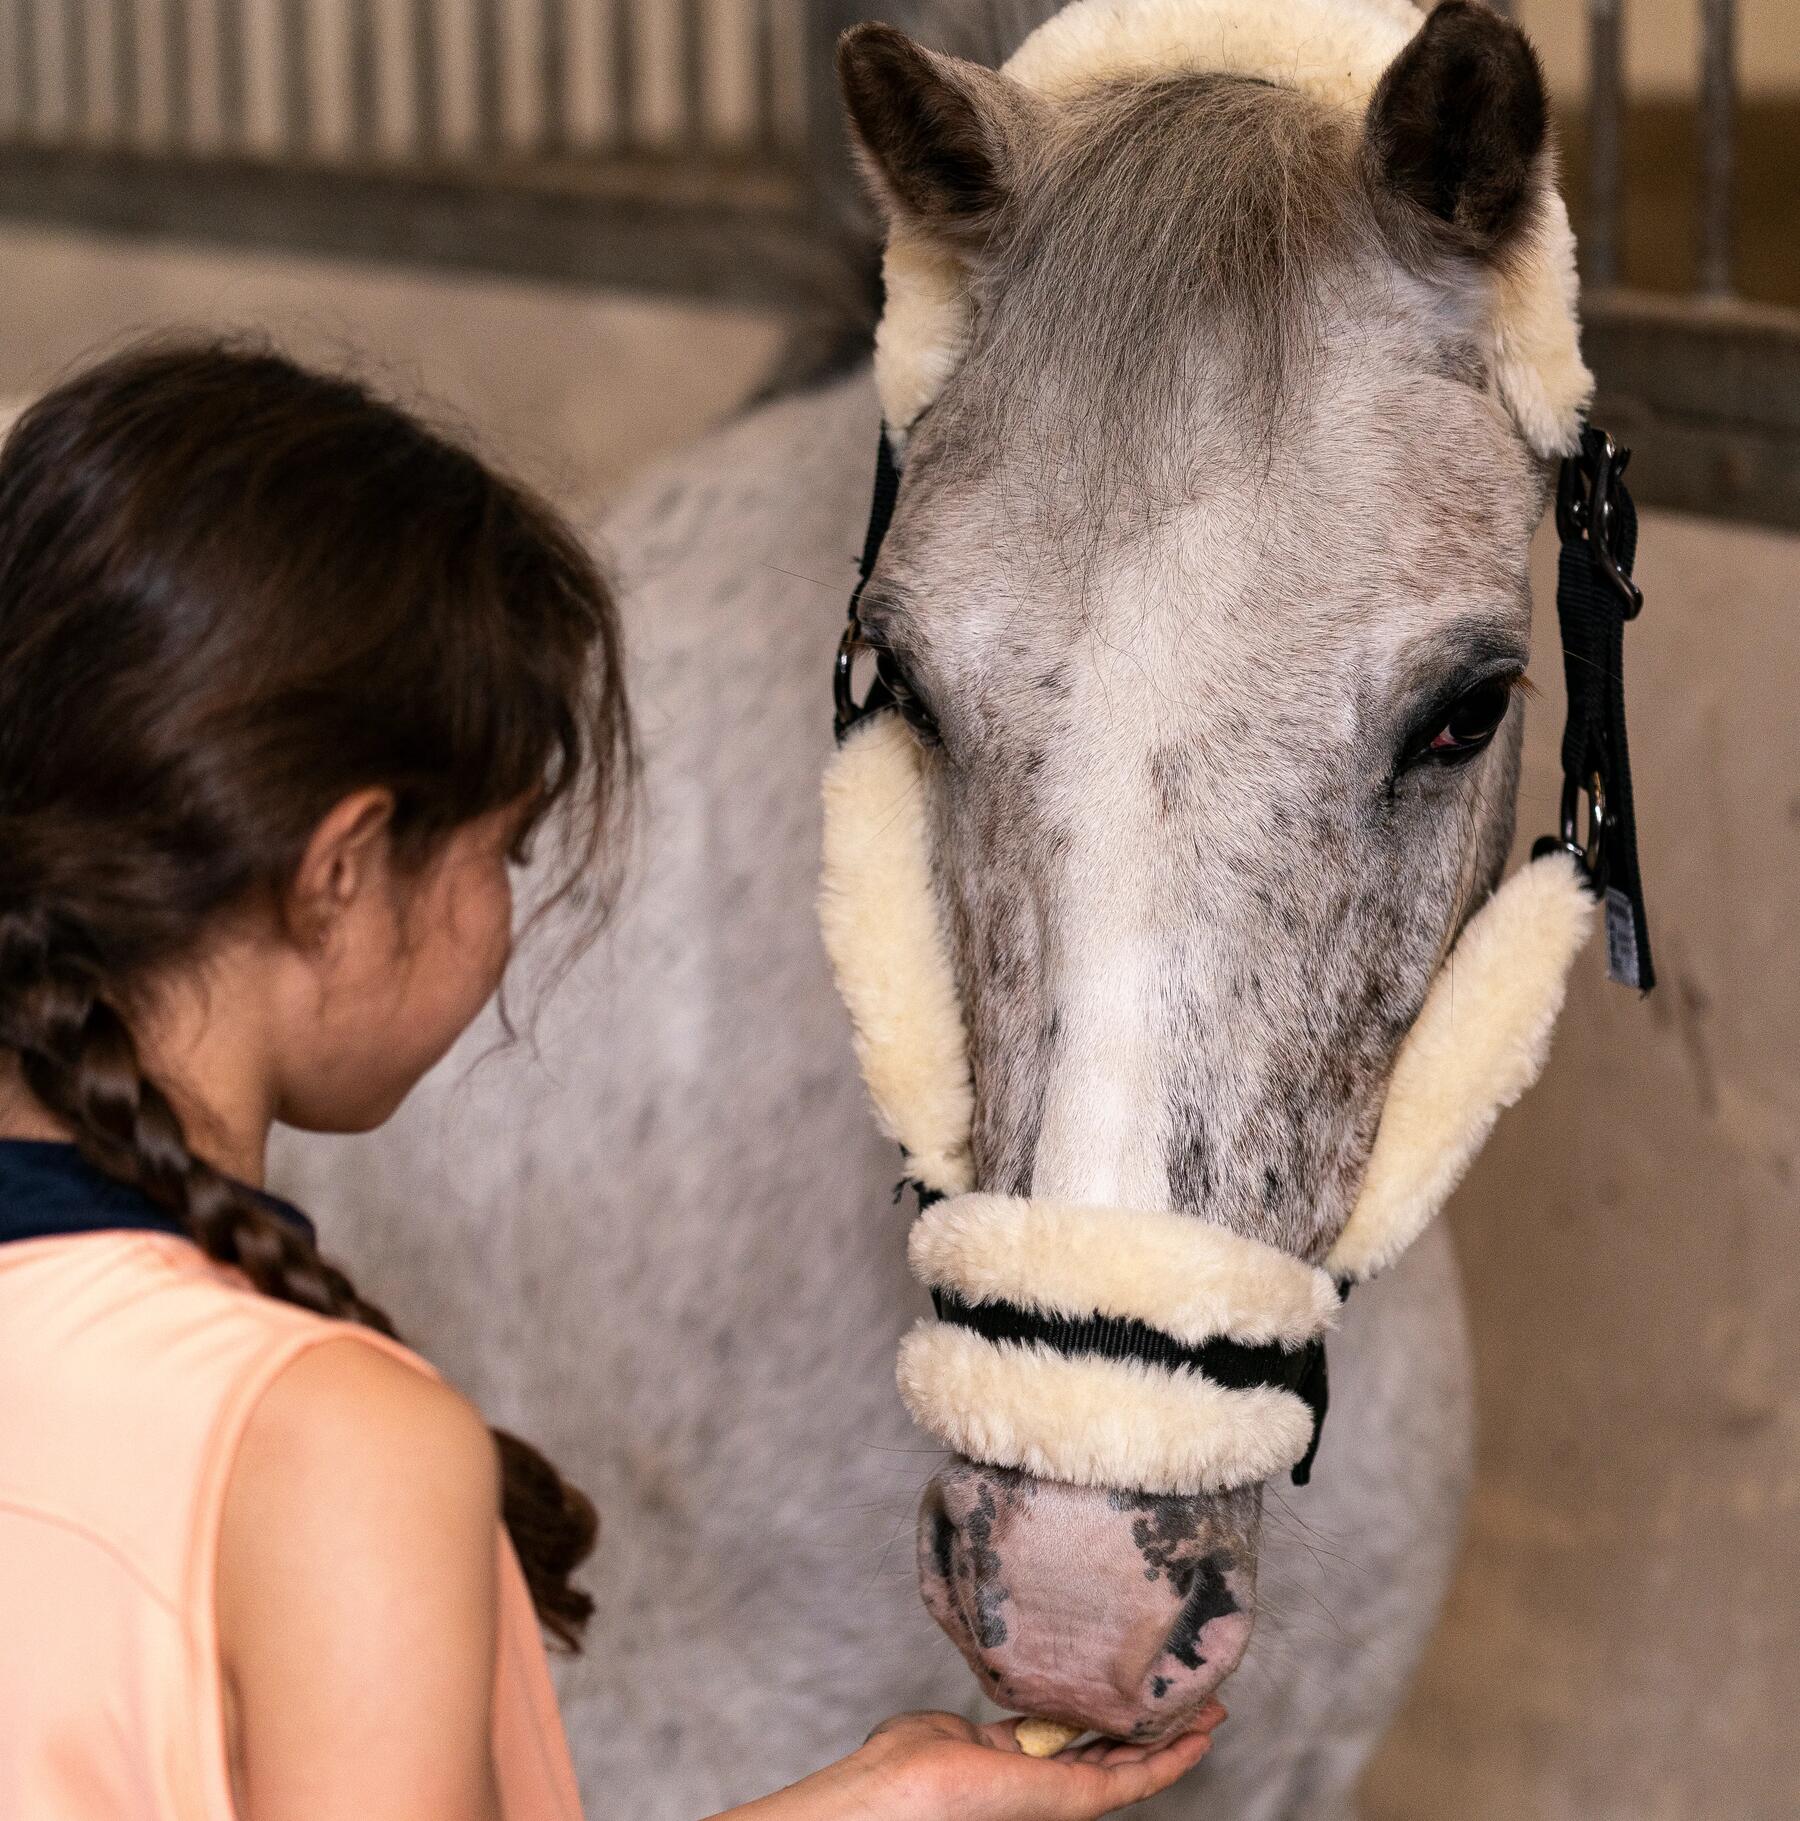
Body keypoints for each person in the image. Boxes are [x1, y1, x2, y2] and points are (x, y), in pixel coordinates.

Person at [0, 341, 1222, 1821]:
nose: (509, 915)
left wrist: (876, 1807)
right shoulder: (325, 1452)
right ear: (339, 874)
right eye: (503, 852)